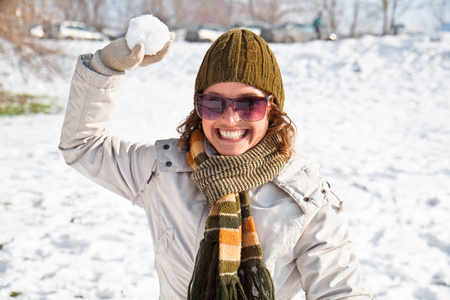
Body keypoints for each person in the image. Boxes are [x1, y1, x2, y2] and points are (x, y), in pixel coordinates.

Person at [59, 28, 372, 299]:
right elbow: (83, 146)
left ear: (272, 108)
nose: (230, 118)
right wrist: (105, 68)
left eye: (249, 104)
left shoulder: (304, 196)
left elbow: (340, 291)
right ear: (198, 106)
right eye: (214, 102)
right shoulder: (164, 170)